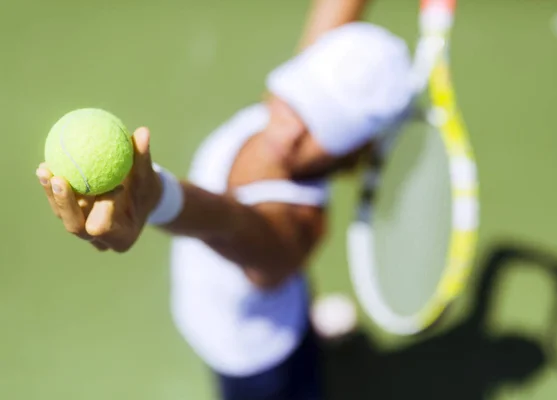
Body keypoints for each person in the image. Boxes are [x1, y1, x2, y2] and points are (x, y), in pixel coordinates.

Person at [35, 0, 413, 398]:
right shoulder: (302, 91)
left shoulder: (300, 224)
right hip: (238, 310)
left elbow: (230, 221)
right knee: (299, 302)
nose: (290, 130)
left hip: (255, 357)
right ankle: (308, 322)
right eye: (302, 98)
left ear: (354, 150)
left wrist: (157, 197)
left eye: (324, 127)